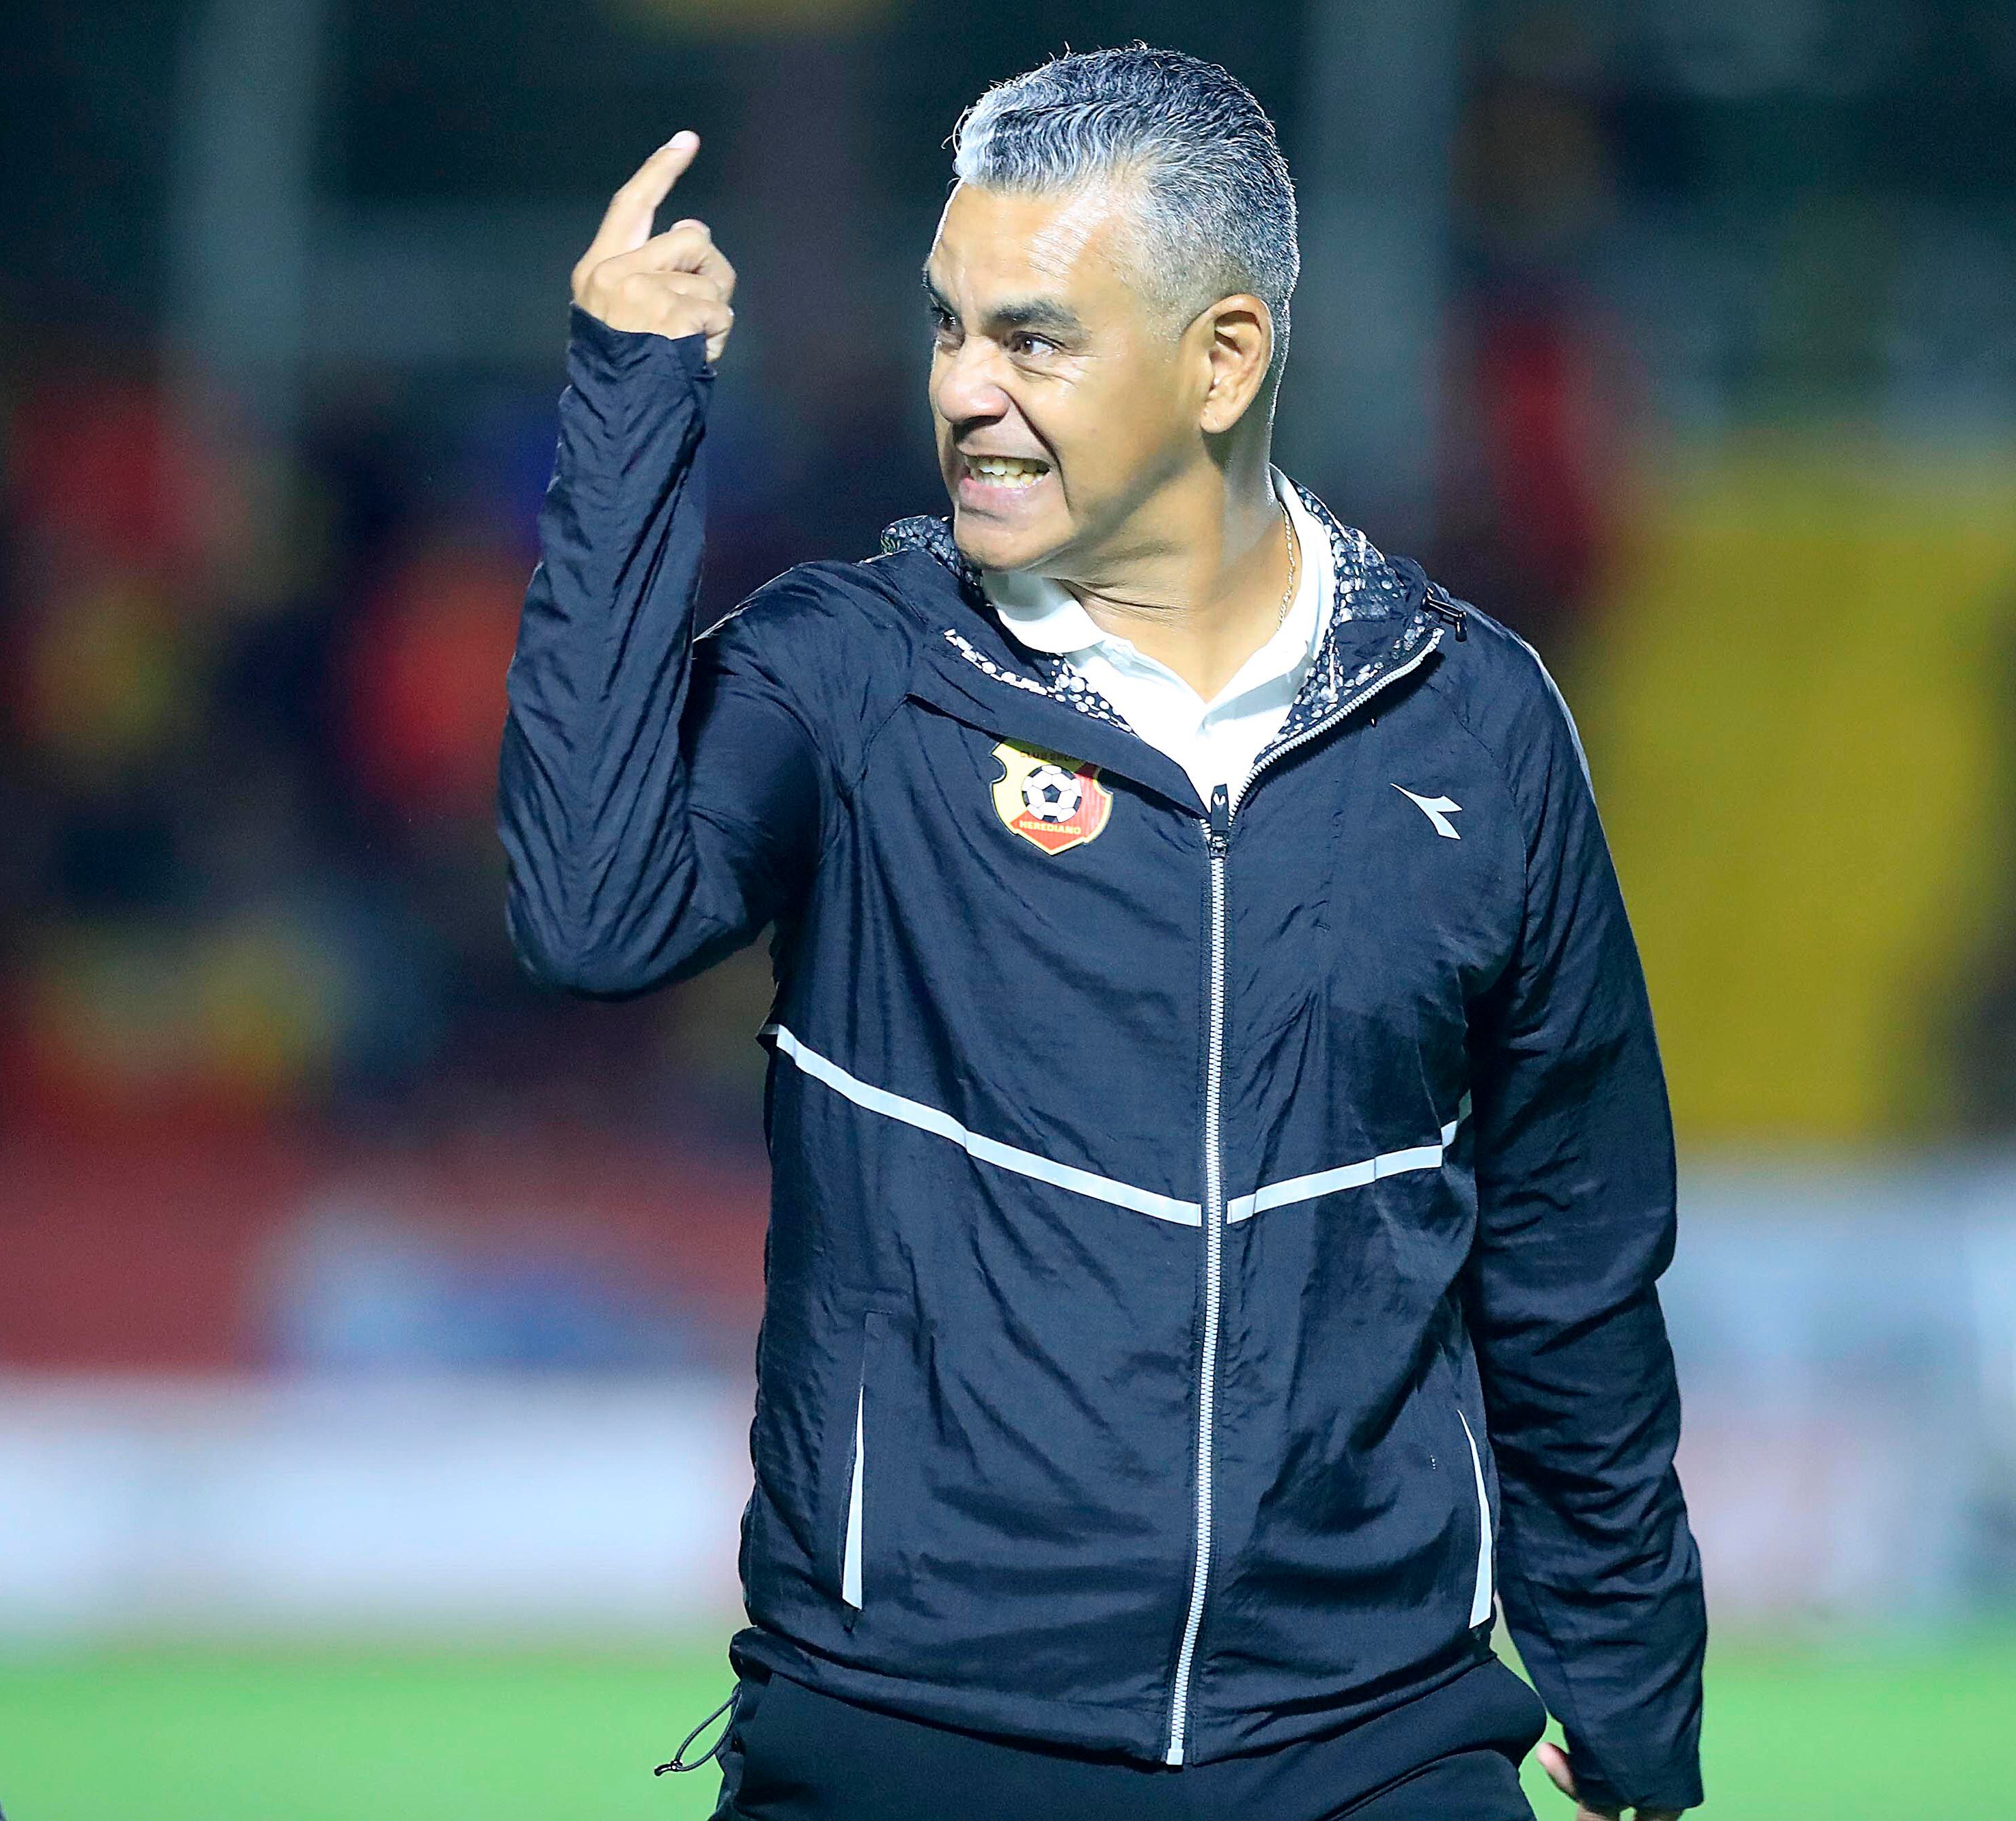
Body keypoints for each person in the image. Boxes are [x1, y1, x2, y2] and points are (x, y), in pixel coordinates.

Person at [498, 44, 1702, 1821]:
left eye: (1034, 339)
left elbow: (1570, 1265)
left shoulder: (1480, 724)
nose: (965, 393)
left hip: (1369, 1744)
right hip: (905, 1737)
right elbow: (591, 914)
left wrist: (1631, 1717)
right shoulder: (858, 674)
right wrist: (627, 405)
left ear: (1225, 360)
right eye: (948, 329)